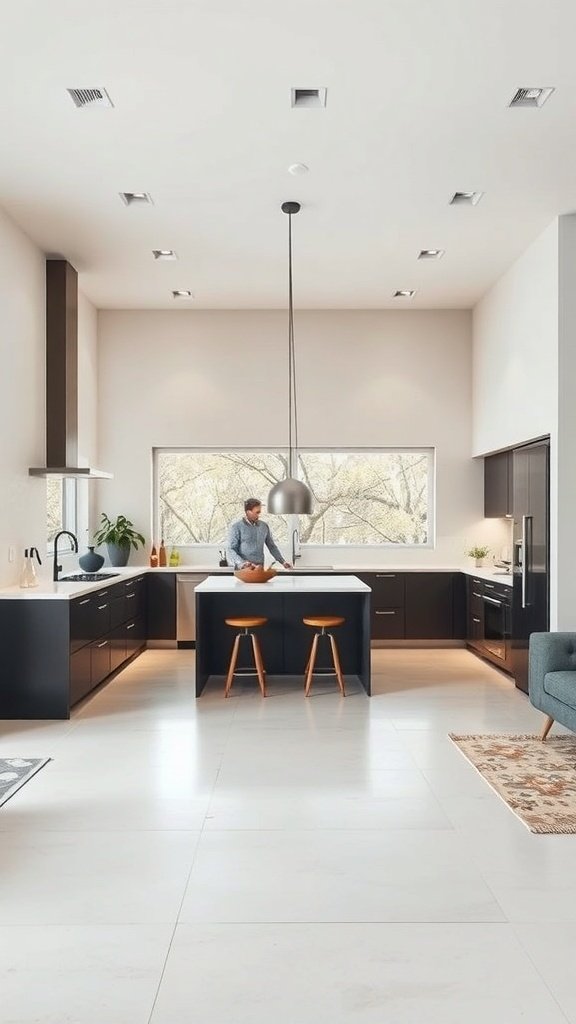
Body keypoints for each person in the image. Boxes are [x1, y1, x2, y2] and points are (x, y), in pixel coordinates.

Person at [227, 498, 291, 569]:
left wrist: (283, 561)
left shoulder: (264, 526)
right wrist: (241, 562)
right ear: (248, 512)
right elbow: (231, 549)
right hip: (243, 569)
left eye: (260, 512)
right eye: (257, 512)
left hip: (259, 568)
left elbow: (272, 546)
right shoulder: (236, 527)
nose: (259, 515)